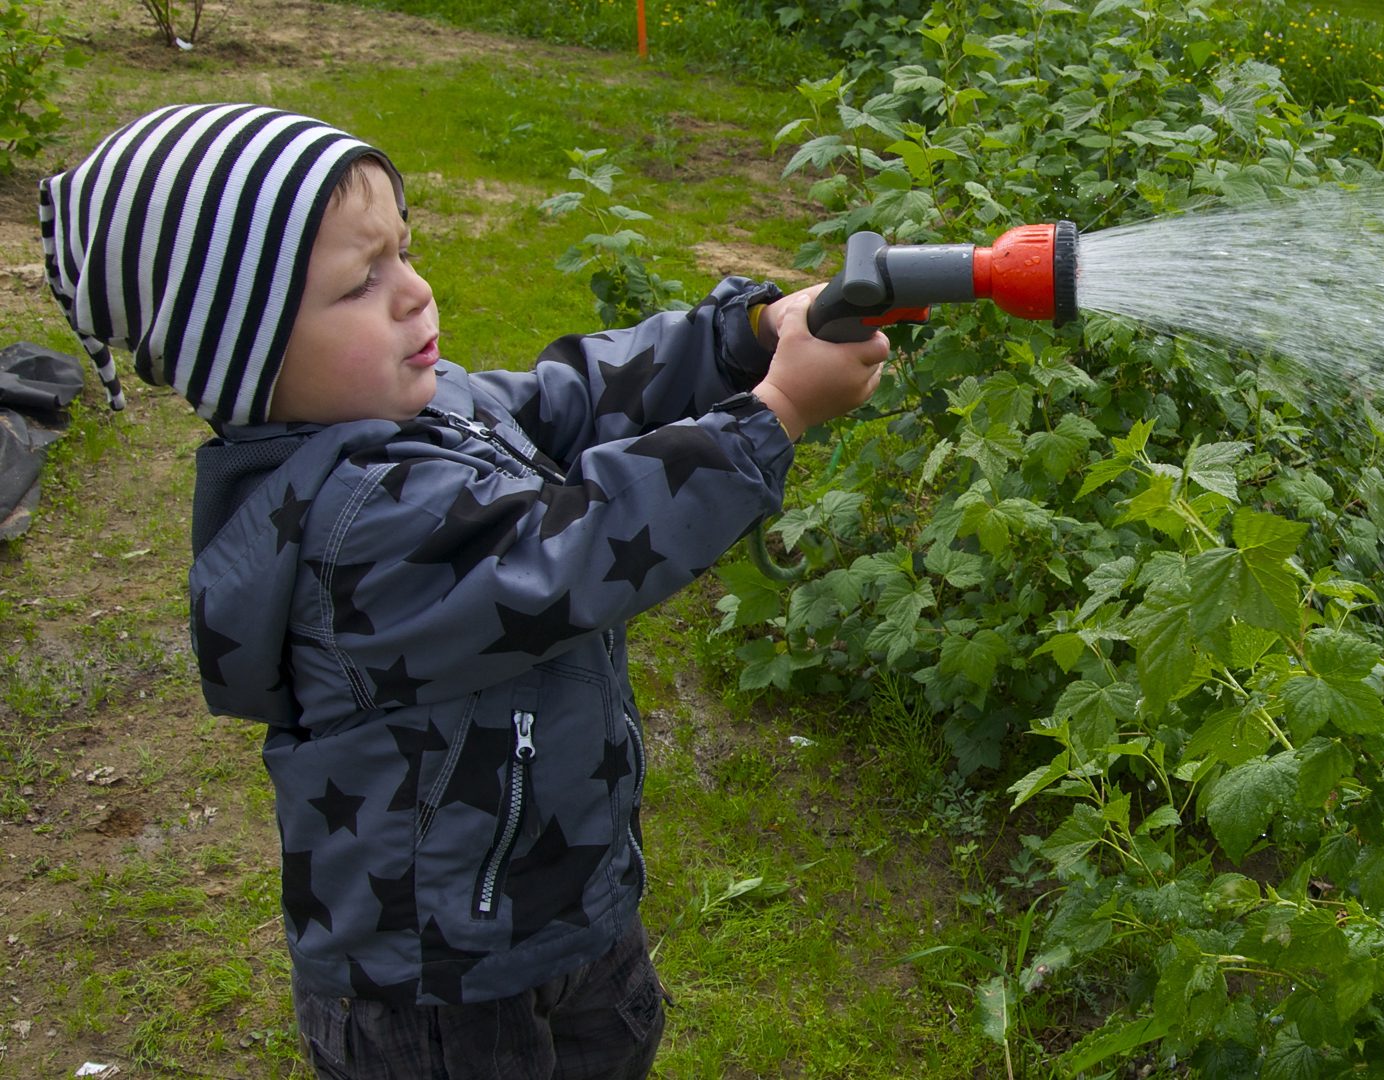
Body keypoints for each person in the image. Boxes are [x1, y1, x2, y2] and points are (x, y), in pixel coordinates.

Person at [39, 102, 887, 1078]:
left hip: (560, 901)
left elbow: (571, 402)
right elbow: (579, 547)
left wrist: (741, 336)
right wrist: (771, 415)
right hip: (439, 987)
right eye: (363, 281)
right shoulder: (358, 525)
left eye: (404, 250)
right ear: (242, 352)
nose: (415, 292)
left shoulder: (421, 411)